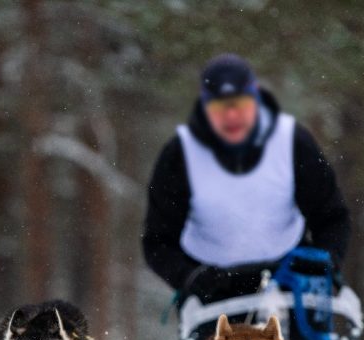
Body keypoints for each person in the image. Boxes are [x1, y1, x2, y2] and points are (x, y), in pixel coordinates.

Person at [143, 54, 352, 305]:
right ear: (205, 106)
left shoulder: (293, 142)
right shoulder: (179, 155)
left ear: (255, 98)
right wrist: (188, 276)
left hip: (288, 280)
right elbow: (158, 242)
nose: (231, 116)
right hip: (211, 290)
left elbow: (331, 217)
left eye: (240, 104)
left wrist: (325, 260)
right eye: (220, 107)